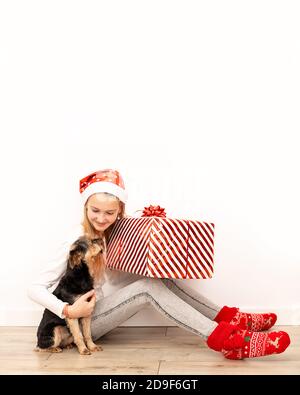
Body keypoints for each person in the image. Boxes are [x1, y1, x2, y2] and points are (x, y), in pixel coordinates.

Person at [27, 169, 291, 360]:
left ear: (120, 210)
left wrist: (151, 232)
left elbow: (124, 273)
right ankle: (227, 340)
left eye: (110, 212)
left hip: (101, 308)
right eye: (95, 211)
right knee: (145, 289)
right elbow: (34, 287)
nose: (101, 218)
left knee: (154, 282)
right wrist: (67, 311)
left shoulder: (118, 230)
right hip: (78, 325)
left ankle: (230, 319)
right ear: (86, 207)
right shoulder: (75, 239)